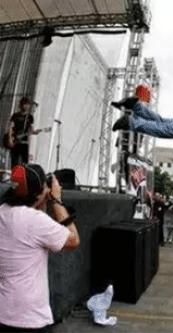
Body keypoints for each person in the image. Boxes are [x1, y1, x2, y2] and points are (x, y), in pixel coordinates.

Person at [0, 164, 80, 332]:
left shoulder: (3, 212)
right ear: (38, 193)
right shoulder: (34, 221)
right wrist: (56, 200)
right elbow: (73, 240)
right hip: (30, 319)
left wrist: (41, 197)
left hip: (4, 312)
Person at [6, 97, 36, 167]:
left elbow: (32, 128)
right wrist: (10, 138)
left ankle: (22, 176)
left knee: (24, 163)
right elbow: (10, 127)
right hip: (16, 142)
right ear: (21, 105)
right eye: (24, 104)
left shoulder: (30, 117)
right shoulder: (15, 115)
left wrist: (34, 131)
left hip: (24, 142)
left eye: (27, 104)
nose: (25, 106)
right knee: (14, 161)